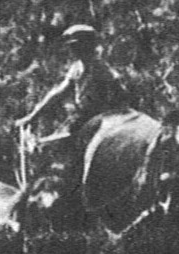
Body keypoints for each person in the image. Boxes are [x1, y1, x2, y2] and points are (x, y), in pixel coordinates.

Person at [15, 23, 128, 223]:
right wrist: (32, 116)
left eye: (76, 46)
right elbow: (58, 93)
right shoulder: (78, 67)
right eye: (71, 46)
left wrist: (116, 113)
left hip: (97, 119)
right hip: (80, 118)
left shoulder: (100, 69)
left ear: (88, 46)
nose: (72, 50)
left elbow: (119, 90)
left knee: (70, 159)